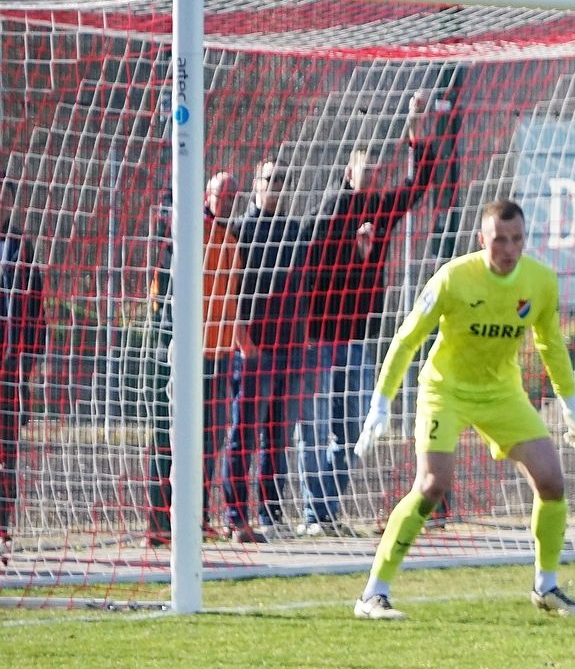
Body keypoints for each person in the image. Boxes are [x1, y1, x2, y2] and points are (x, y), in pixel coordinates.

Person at [350, 199, 575, 621]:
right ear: (482, 239)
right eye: (500, 240)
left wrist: (572, 405)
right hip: (445, 390)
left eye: (517, 239)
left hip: (502, 393)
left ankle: (546, 586)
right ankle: (373, 593)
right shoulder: (454, 277)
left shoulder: (540, 281)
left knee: (552, 481)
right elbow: (407, 339)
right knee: (432, 485)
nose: (509, 249)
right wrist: (380, 402)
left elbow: (551, 345)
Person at [298, 92, 443, 536]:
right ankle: (314, 515)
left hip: (357, 338)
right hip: (321, 339)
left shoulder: (382, 209)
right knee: (315, 429)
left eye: (379, 171)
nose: (375, 176)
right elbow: (307, 262)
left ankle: (326, 511)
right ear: (349, 173)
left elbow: (419, 183)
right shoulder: (331, 211)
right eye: (367, 169)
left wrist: (416, 126)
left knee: (352, 433)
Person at [146, 171, 256, 545]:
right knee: (170, 433)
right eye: (221, 194)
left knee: (209, 439)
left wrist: (240, 342)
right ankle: (159, 522)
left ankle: (197, 516)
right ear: (206, 195)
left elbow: (232, 298)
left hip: (219, 353)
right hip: (184, 352)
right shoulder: (186, 233)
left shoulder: (232, 241)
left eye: (233, 196)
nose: (227, 201)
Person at [226, 156, 308, 537]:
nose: (277, 185)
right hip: (253, 350)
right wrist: (243, 341)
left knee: (277, 438)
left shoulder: (295, 231)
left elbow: (302, 288)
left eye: (283, 180)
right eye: (271, 178)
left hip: (288, 349)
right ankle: (236, 516)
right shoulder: (241, 230)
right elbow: (231, 292)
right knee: (243, 434)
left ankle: (271, 514)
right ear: (256, 182)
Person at [0, 176, 47, 562]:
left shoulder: (21, 248)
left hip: (10, 368)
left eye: (6, 198)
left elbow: (36, 309)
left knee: (7, 451)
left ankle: (2, 528)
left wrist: (29, 362)